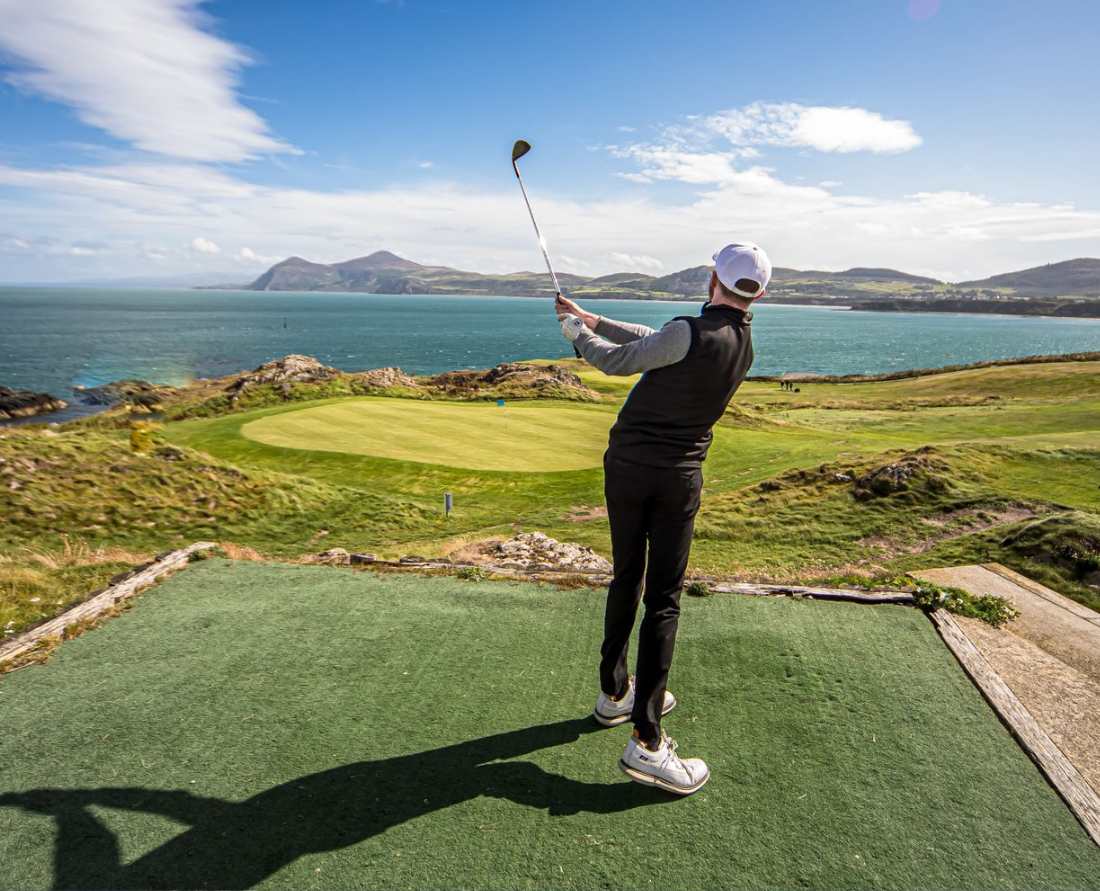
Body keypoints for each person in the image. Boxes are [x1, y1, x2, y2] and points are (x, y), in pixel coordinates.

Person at [555, 242, 771, 796]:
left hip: (628, 467)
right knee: (663, 600)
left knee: (628, 578)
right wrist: (592, 319)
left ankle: (618, 699)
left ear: (712, 278)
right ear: (760, 293)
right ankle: (644, 735)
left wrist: (575, 333)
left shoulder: (688, 331)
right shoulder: (741, 343)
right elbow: (655, 341)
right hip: (676, 478)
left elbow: (618, 360)